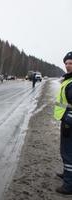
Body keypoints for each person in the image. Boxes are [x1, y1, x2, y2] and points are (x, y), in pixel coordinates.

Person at [54, 51, 72, 195]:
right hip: (66, 119)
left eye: (71, 63)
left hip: (69, 122)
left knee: (68, 153)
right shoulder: (68, 80)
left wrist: (68, 121)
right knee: (66, 151)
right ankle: (67, 174)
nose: (68, 66)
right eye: (66, 63)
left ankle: (69, 185)